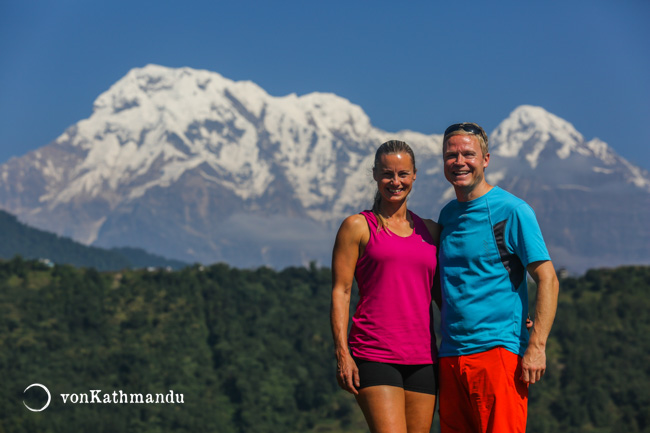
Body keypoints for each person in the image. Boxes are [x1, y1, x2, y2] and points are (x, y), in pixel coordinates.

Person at [436, 122, 560, 433]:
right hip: (451, 354)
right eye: (452, 155)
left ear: (486, 159)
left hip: (497, 353)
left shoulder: (512, 210)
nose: (460, 162)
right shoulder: (448, 215)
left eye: (469, 154)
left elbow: (547, 278)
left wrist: (537, 345)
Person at [330, 140, 440, 433]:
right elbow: (341, 292)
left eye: (403, 174)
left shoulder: (430, 231)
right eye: (387, 174)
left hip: (424, 358)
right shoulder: (357, 226)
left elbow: (450, 294)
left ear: (414, 174)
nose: (395, 182)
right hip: (374, 353)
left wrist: (508, 315)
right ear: (375, 175)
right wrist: (342, 354)